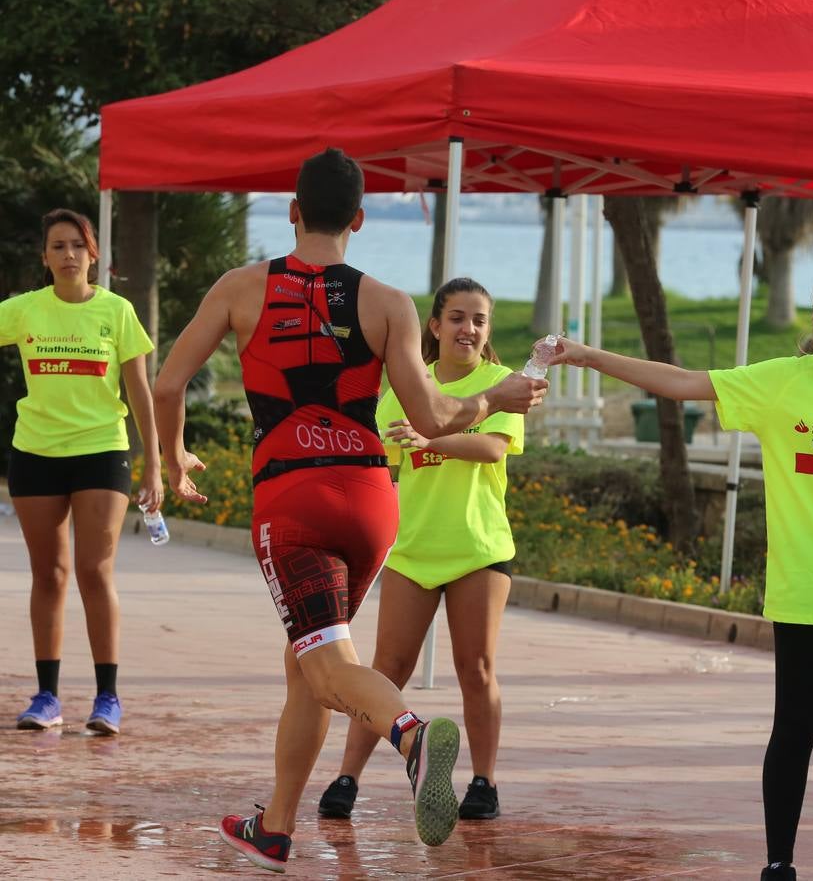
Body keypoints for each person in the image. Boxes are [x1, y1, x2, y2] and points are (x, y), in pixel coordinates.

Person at [153, 148, 546, 874]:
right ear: (359, 220)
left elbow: (168, 383)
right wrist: (494, 398)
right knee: (307, 662)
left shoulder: (240, 288)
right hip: (370, 503)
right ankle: (273, 827)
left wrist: (170, 458)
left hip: (293, 497)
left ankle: (411, 735)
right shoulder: (389, 302)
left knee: (329, 669)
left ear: (293, 211)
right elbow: (431, 420)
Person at [545, 260, 813, 881]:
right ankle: (779, 864)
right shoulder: (783, 382)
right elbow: (681, 383)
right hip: (807, 590)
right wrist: (590, 356)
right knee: (794, 732)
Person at [317, 276, 522, 823]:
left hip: (479, 549)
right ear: (434, 325)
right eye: (457, 317)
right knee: (388, 669)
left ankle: (484, 782)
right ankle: (346, 779)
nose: (469, 328)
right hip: (411, 552)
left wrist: (431, 439)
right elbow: (379, 471)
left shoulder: (503, 385)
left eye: (479, 319)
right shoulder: (406, 389)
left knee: (474, 667)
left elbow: (491, 449)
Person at [1, 208, 161, 736]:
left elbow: (140, 393)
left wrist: (154, 466)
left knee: (95, 571)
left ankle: (107, 697)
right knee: (49, 574)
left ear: (93, 254)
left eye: (76, 246)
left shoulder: (116, 312)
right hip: (36, 453)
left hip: (101, 451)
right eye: (57, 247)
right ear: (44, 258)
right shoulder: (24, 310)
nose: (67, 255)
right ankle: (46, 697)